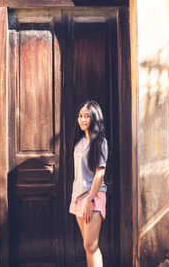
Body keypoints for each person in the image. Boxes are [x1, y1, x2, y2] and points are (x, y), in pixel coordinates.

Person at [69, 100, 108, 267]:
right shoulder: (78, 142)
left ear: (95, 118)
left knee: (91, 245)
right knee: (87, 246)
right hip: (78, 196)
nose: (82, 120)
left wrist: (90, 200)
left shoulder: (100, 142)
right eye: (80, 116)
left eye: (87, 116)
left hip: (93, 196)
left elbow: (100, 173)